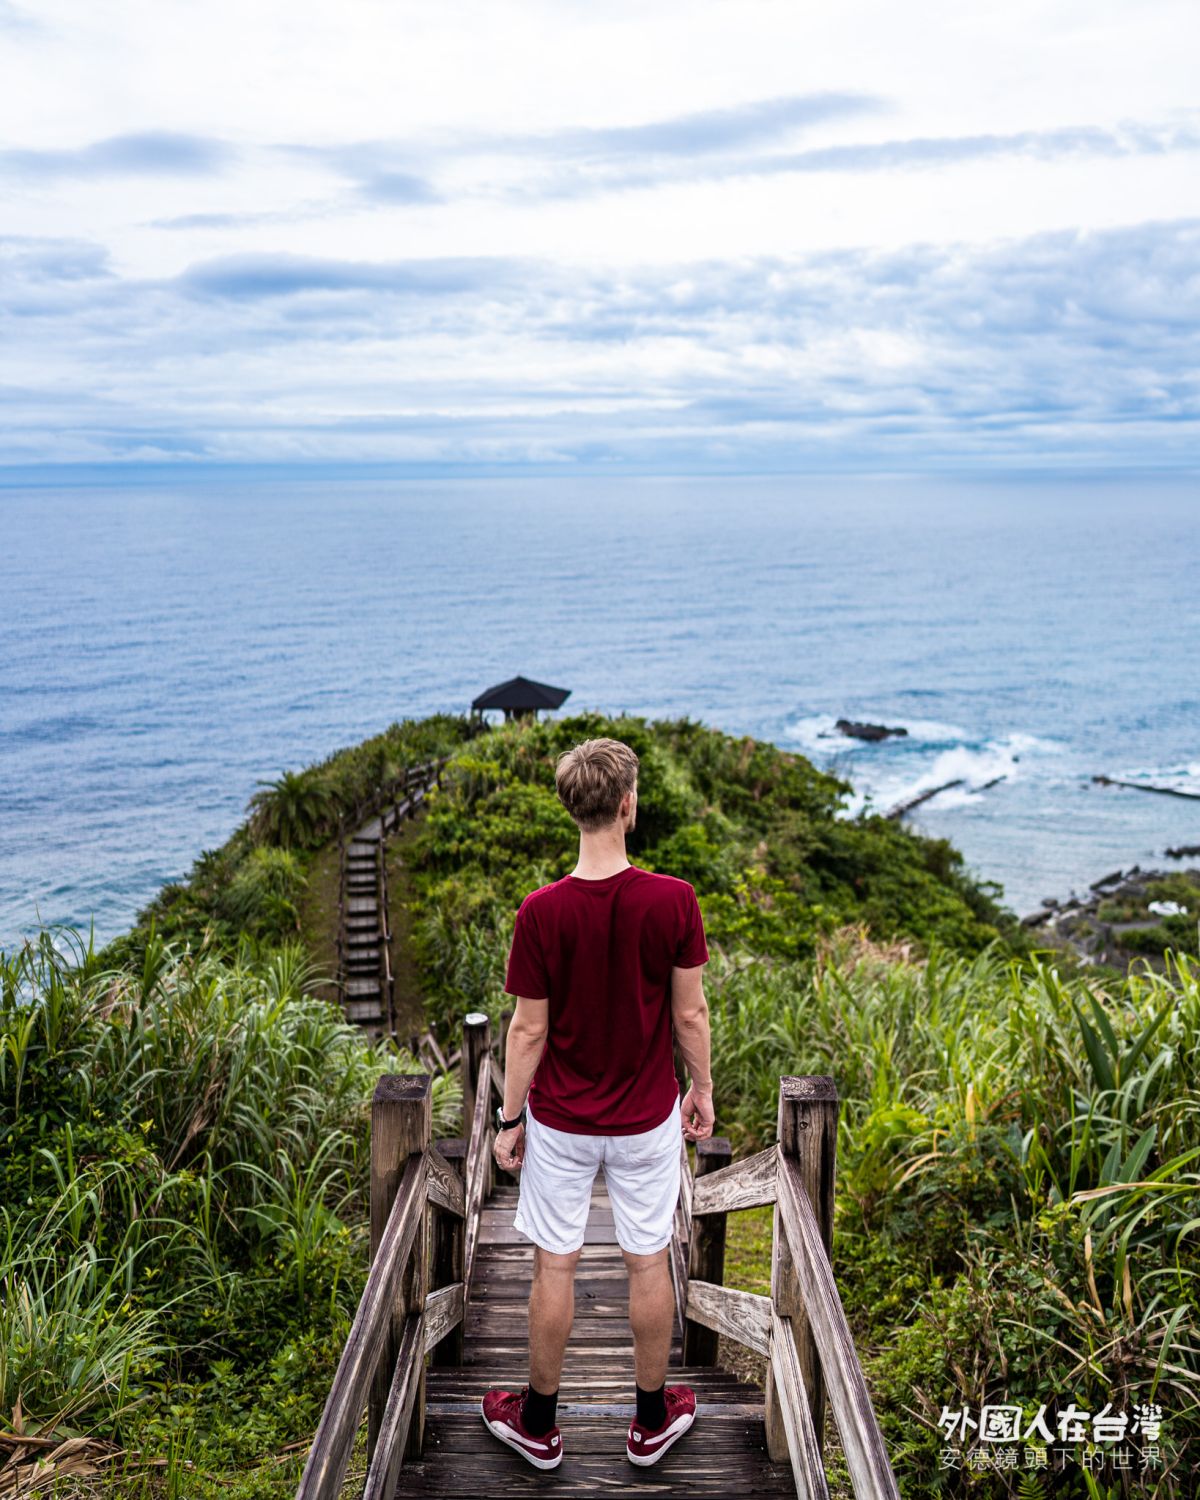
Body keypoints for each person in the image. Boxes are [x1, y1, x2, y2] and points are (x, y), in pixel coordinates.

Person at [480, 736, 715, 1472]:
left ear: (570, 809)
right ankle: (649, 1422)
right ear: (627, 805)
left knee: (556, 1264)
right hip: (647, 1117)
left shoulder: (540, 913)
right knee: (648, 1262)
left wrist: (509, 1119)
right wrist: (701, 1089)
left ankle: (539, 1424)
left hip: (560, 1120)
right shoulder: (673, 900)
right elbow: (690, 1017)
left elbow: (527, 1029)